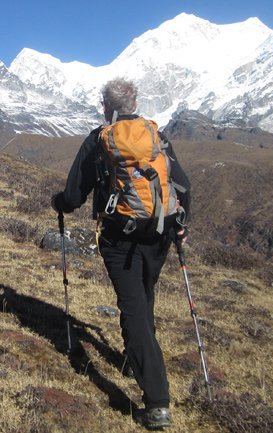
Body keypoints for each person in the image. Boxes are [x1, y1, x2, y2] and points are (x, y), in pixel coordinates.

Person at [51, 77, 191, 429]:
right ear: (134, 102)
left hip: (119, 238)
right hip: (159, 233)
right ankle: (135, 359)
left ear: (106, 106)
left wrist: (59, 204)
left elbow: (72, 196)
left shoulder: (100, 140)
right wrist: (181, 224)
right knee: (143, 299)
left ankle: (157, 401)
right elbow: (182, 184)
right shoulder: (156, 135)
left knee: (133, 309)